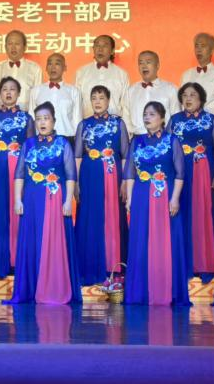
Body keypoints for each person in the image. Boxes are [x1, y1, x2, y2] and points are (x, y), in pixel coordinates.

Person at [10, 102, 80, 305]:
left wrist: (68, 201)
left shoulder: (63, 144)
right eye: (39, 119)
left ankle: (54, 288)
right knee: (33, 242)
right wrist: (17, 199)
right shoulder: (28, 144)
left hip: (55, 200)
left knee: (54, 243)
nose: (42, 122)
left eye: (46, 118)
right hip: (32, 200)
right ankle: (31, 289)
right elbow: (19, 174)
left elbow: (70, 175)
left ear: (54, 121)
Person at [123, 101, 190, 306]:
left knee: (165, 241)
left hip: (165, 195)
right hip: (142, 195)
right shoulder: (137, 141)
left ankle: (166, 290)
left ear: (162, 118)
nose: (147, 117)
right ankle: (140, 292)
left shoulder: (172, 141)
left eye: (151, 114)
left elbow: (180, 173)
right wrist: (130, 199)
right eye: (145, 114)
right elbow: (130, 173)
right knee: (141, 240)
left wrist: (175, 198)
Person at [169, 82, 214, 283]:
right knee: (182, 215)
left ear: (201, 98)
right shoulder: (174, 120)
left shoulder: (211, 120)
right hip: (180, 174)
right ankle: (183, 264)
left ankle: (205, 264)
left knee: (204, 215)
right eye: (185, 95)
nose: (188, 98)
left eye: (192, 95)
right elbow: (167, 148)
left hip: (204, 173)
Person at [0, 77, 35, 278]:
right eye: (4, 89)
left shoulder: (27, 118)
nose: (8, 93)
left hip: (18, 172)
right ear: (0, 94)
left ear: (18, 94)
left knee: (17, 212)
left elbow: (31, 150)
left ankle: (16, 260)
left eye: (12, 89)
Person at [74, 85, 129, 285]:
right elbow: (78, 156)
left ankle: (113, 266)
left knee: (112, 216)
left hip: (113, 176)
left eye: (101, 98)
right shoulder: (84, 124)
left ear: (108, 100)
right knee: (91, 217)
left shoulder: (118, 123)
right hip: (89, 176)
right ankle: (89, 266)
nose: (97, 102)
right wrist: (76, 182)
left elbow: (125, 155)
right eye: (94, 98)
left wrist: (125, 182)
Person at [179, 33, 214, 137]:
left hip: (210, 128)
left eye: (203, 46)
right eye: (196, 46)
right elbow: (181, 102)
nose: (199, 50)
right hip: (188, 128)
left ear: (212, 50)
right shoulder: (186, 75)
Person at [120, 51, 179, 138]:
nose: (144, 66)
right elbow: (126, 119)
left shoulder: (171, 89)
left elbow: (176, 118)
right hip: (138, 140)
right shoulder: (131, 91)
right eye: (141, 63)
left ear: (157, 65)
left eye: (148, 62)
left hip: (163, 140)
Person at [27, 53, 81, 143]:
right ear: (46, 68)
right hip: (41, 139)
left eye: (57, 64)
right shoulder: (36, 91)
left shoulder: (74, 91)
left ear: (65, 68)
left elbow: (77, 120)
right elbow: (31, 119)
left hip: (67, 139)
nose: (53, 67)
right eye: (50, 64)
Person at [74, 35, 130, 118]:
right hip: (88, 123)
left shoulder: (122, 74)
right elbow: (77, 104)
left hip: (114, 124)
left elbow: (126, 106)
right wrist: (78, 124)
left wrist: (125, 125)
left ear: (112, 51)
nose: (100, 49)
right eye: (97, 45)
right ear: (93, 49)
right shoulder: (81, 72)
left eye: (105, 45)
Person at [0, 30, 42, 108]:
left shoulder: (35, 69)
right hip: (2, 114)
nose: (13, 47)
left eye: (17, 44)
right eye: (10, 44)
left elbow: (37, 98)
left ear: (25, 47)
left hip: (25, 114)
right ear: (5, 47)